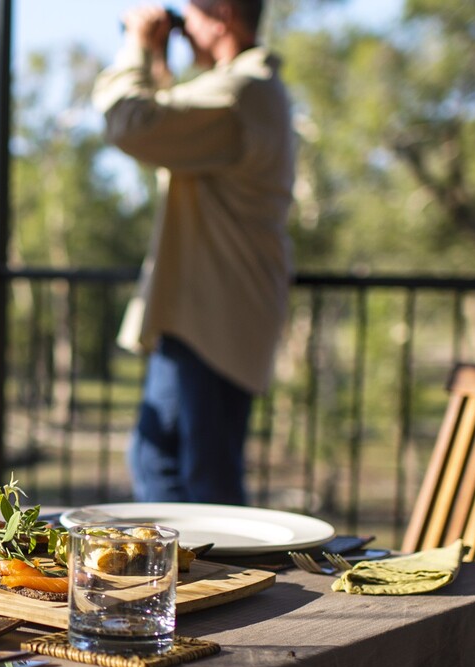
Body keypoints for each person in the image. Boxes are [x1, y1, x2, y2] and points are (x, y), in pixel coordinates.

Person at [94, 1, 295, 505]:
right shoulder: (245, 89)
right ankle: (187, 575)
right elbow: (171, 118)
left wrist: (138, 45)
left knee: (197, 473)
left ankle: (219, 579)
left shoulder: (240, 91)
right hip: (207, 309)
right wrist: (161, 60)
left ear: (221, 14)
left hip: (213, 311)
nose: (184, 33)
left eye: (189, 18)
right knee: (170, 460)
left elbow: (132, 123)